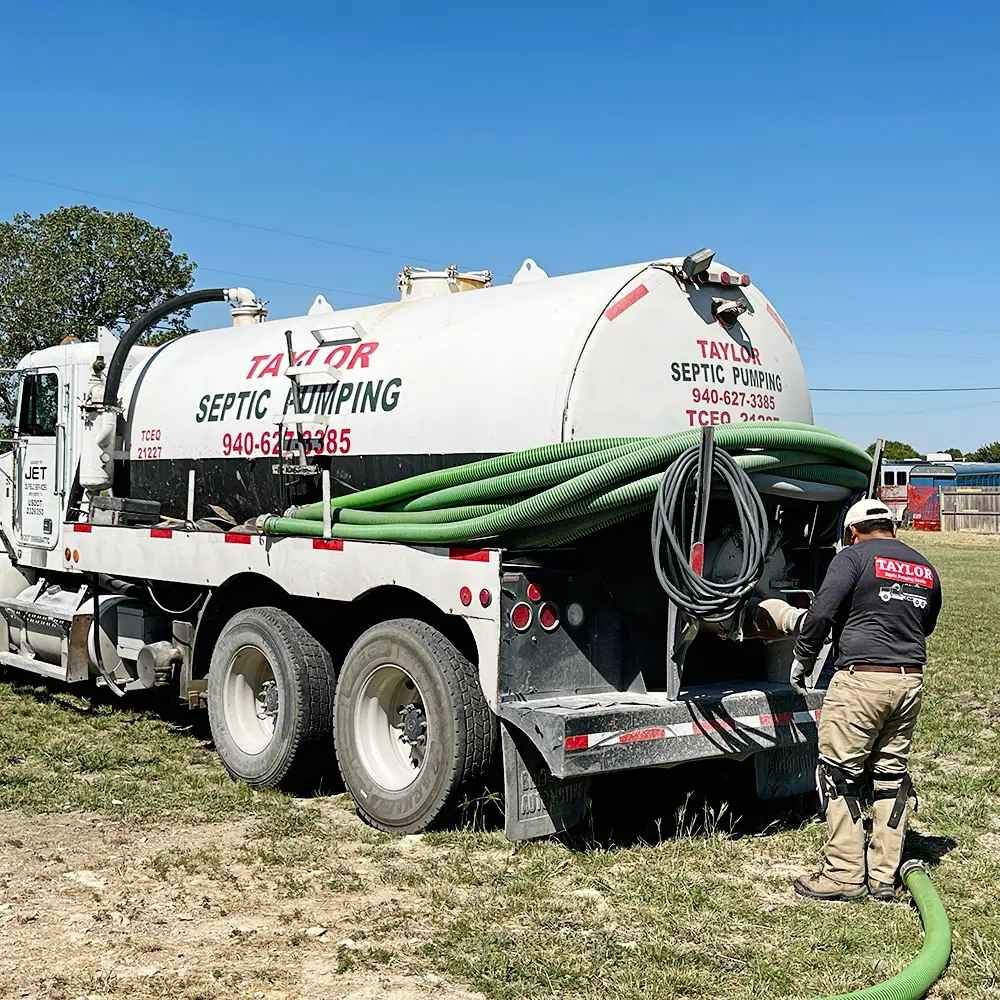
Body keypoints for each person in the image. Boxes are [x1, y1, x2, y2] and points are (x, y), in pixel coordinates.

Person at [757, 498, 942, 902]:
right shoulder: (923, 566)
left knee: (840, 772)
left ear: (851, 532)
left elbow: (822, 614)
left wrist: (802, 658)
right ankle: (883, 876)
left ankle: (843, 875)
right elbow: (924, 622)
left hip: (861, 682)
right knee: (891, 775)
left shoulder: (853, 556)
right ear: (891, 528)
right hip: (909, 681)